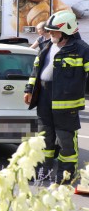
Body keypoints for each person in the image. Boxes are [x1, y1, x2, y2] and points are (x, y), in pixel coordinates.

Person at [24, 10, 89, 184]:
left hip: (67, 104)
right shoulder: (47, 46)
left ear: (67, 30)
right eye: (49, 31)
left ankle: (66, 174)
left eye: (54, 31)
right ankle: (42, 171)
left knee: (66, 139)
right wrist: (29, 89)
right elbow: (36, 69)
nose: (50, 33)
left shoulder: (82, 50)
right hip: (44, 98)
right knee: (44, 137)